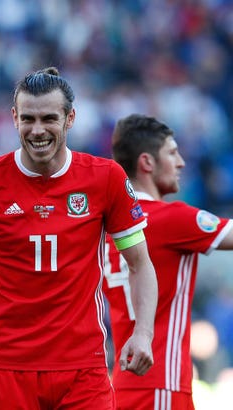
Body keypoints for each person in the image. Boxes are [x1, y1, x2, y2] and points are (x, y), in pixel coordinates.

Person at [0, 67, 158, 410]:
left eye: (49, 119)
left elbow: (139, 263)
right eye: (28, 119)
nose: (37, 130)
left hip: (83, 369)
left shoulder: (105, 179)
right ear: (14, 118)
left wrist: (142, 332)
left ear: (70, 118)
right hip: (7, 367)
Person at [103, 113, 233, 410]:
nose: (181, 163)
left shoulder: (108, 226)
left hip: (121, 385)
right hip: (161, 382)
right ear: (147, 163)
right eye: (172, 153)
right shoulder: (171, 218)